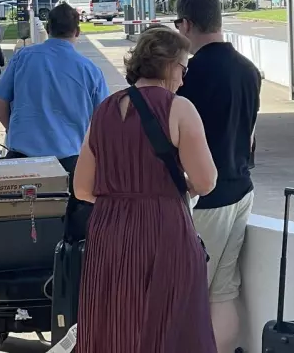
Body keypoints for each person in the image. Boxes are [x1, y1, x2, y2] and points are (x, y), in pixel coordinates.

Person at [73, 26, 218, 353]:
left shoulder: (104, 111)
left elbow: (82, 188)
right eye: (183, 68)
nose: (183, 79)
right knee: (172, 327)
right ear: (168, 66)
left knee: (114, 326)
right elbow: (207, 181)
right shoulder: (179, 108)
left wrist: (121, 196)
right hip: (163, 227)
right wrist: (164, 192)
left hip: (108, 231)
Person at [174, 0, 261, 353]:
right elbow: (252, 133)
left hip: (204, 196)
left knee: (187, 293)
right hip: (241, 188)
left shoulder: (190, 75)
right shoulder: (249, 69)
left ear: (187, 24)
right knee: (224, 290)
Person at [0, 3, 108, 210]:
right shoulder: (90, 70)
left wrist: (13, 128)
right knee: (70, 228)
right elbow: (103, 120)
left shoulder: (23, 57)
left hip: (22, 161)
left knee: (18, 224)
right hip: (71, 162)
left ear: (47, 27)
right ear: (77, 31)